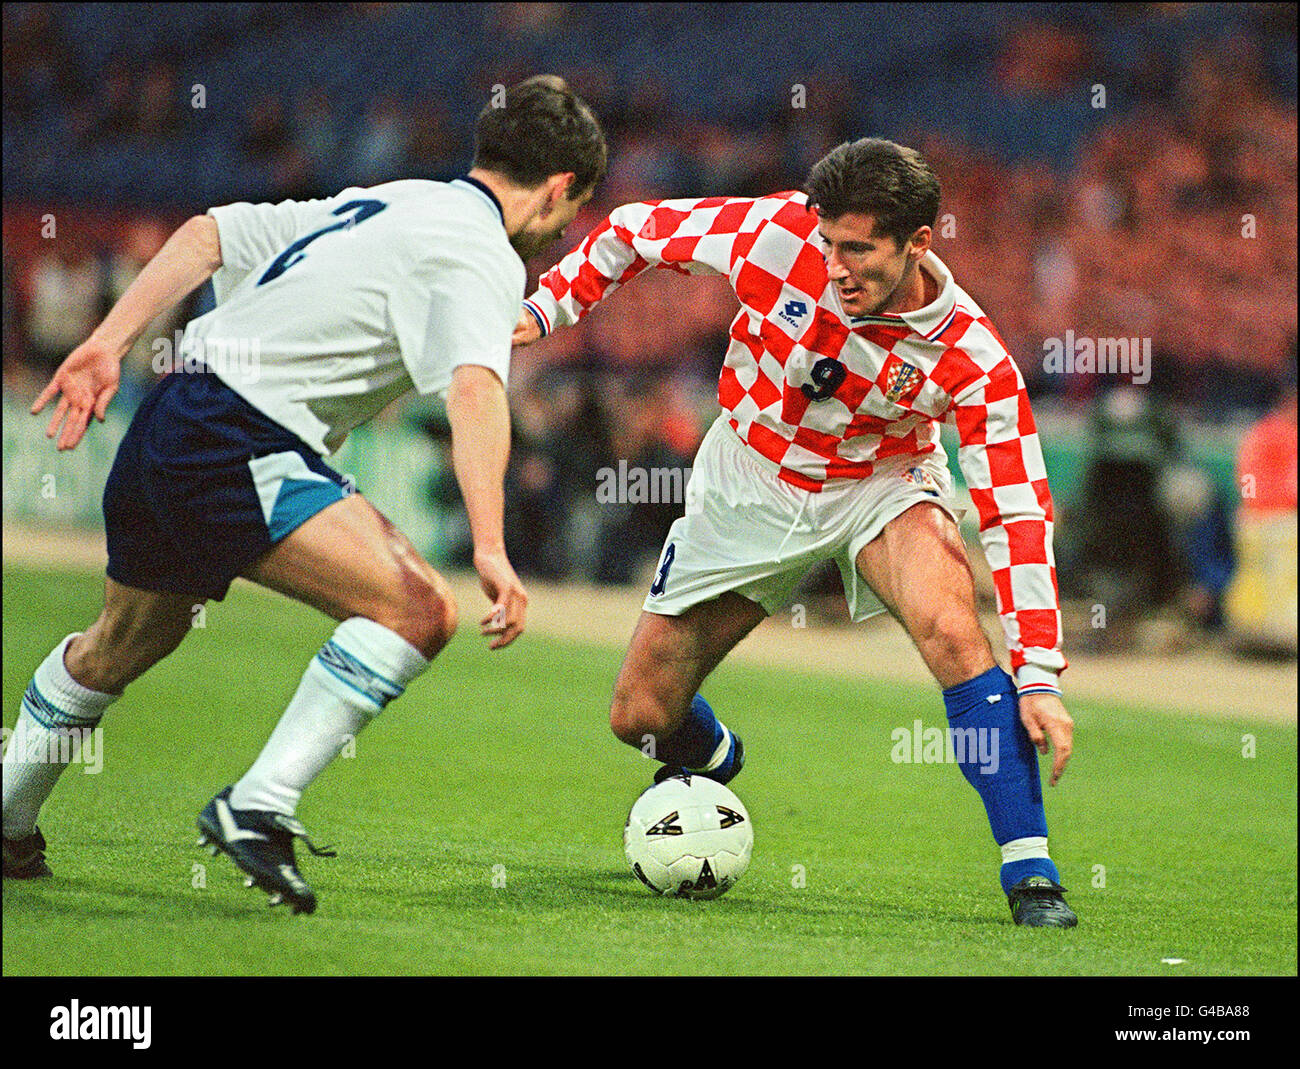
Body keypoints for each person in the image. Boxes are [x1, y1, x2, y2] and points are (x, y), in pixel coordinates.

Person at [2, 76, 607, 915]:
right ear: (558, 188)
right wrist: (492, 547)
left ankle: (6, 818)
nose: (562, 229)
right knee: (418, 609)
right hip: (238, 434)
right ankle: (261, 802)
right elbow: (475, 392)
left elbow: (207, 234)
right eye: (571, 211)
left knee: (118, 646)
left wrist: (110, 342)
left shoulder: (388, 201)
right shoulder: (482, 253)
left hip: (173, 410)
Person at [515, 138, 1078, 926]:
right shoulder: (776, 233)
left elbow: (1018, 510)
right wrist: (549, 307)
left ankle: (1033, 873)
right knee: (640, 715)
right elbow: (634, 230)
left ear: (919, 242)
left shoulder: (971, 358)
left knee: (955, 629)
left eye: (859, 249)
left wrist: (1042, 673)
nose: (836, 264)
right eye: (830, 242)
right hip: (749, 479)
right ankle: (716, 756)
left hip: (881, 482)